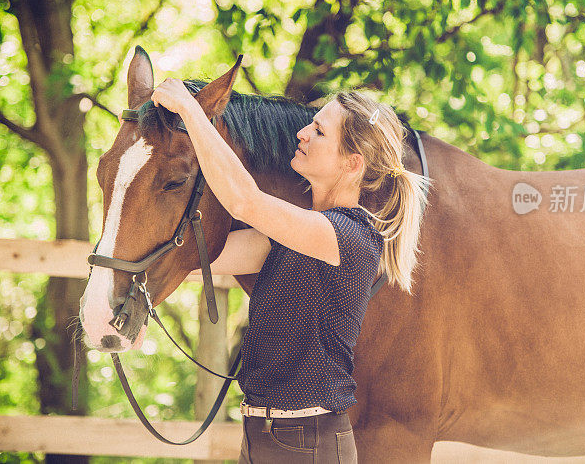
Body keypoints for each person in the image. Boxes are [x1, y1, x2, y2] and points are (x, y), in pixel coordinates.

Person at [152, 83, 429, 463]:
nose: (302, 133)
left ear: (352, 163)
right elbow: (192, 260)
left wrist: (190, 110)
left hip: (308, 442)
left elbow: (243, 200)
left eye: (319, 132)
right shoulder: (292, 235)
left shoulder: (350, 236)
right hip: (262, 437)